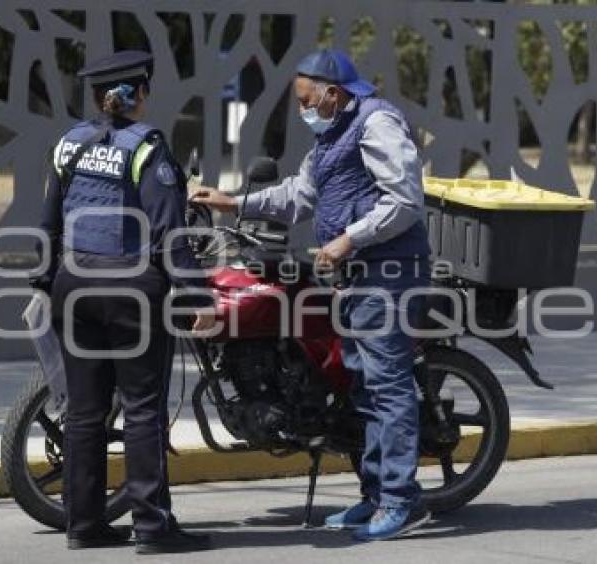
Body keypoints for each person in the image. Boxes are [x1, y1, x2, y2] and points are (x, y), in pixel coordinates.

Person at [191, 48, 432, 542]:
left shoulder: (376, 123)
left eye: (308, 100)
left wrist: (349, 238)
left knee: (388, 388)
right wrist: (234, 202)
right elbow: (297, 196)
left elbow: (405, 201)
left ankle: (402, 500)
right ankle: (373, 495)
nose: (305, 110)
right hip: (354, 277)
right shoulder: (328, 140)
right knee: (361, 387)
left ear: (332, 93)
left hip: (388, 271)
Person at [33, 50, 215, 553]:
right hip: (131, 290)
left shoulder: (68, 145)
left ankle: (83, 524)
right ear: (141, 95)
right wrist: (197, 294)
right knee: (141, 410)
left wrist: (43, 280)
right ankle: (154, 528)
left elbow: (47, 220)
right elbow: (169, 233)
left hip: (74, 285)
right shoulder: (147, 149)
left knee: (87, 411)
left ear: (97, 98)